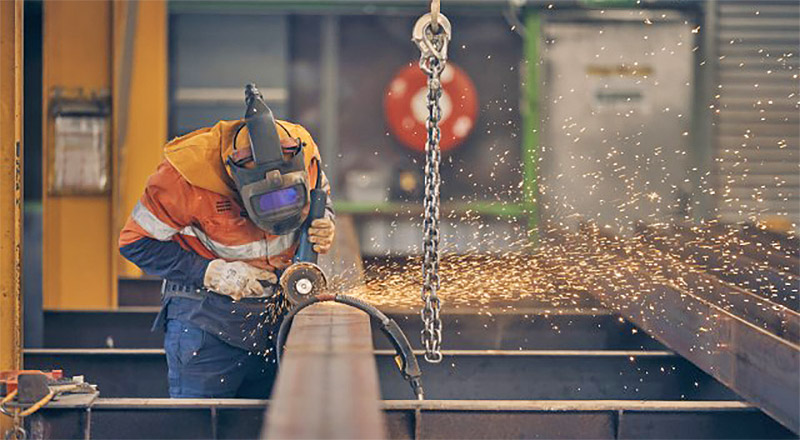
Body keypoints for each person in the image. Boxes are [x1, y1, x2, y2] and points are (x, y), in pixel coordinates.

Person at [118, 85, 335, 398]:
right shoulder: (185, 175)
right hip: (206, 323)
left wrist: (325, 222)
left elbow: (322, 195)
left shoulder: (303, 148)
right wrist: (210, 272)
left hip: (278, 318)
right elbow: (134, 243)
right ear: (236, 182)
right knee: (202, 428)